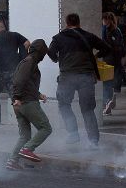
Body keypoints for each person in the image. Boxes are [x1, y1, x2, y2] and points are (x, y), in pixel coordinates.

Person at [47, 13, 115, 147]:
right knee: (87, 109)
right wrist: (96, 55)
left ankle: (73, 133)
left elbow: (50, 52)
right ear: (79, 23)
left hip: (67, 77)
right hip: (86, 77)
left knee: (64, 104)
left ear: (67, 23)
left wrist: (57, 59)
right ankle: (93, 141)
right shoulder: (88, 36)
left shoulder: (58, 38)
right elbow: (107, 48)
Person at [7, 39, 52, 170]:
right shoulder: (30, 61)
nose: (44, 57)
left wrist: (38, 94)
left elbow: (27, 83)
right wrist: (17, 97)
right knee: (45, 128)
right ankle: (27, 149)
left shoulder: (27, 61)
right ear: (40, 52)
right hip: (27, 102)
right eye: (43, 53)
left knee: (25, 136)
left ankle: (12, 161)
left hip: (20, 103)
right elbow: (19, 80)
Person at [0, 22, 29, 127]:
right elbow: (27, 43)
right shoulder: (15, 35)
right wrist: (22, 55)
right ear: (4, 28)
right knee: (15, 96)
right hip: (14, 71)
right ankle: (24, 121)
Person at [99, 12, 126, 116]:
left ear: (105, 20)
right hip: (117, 58)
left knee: (106, 82)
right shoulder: (118, 30)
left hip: (108, 58)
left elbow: (102, 44)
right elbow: (122, 45)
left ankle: (107, 103)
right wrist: (123, 56)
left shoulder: (104, 29)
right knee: (115, 79)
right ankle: (112, 97)